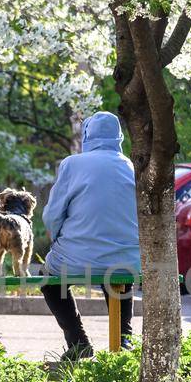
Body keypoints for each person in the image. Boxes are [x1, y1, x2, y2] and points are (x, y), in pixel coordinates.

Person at [40, 111, 141, 358]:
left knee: (48, 280)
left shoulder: (72, 164)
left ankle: (78, 342)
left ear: (87, 135)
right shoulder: (131, 166)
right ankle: (124, 341)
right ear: (118, 136)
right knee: (118, 275)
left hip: (76, 257)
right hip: (126, 258)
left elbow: (52, 215)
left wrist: (57, 239)